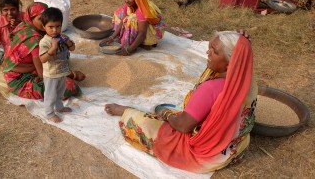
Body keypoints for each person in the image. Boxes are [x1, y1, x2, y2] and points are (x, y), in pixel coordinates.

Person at [104, 31, 257, 173]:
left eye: (215, 52)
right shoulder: (248, 82)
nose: (207, 53)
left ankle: (124, 111)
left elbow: (183, 126)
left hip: (206, 156)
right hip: (235, 146)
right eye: (209, 47)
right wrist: (243, 43)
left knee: (142, 122)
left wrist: (167, 114)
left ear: (232, 63)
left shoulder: (211, 88)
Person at [1, 2, 85, 99]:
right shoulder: (35, 40)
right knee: (69, 86)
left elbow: (67, 46)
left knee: (61, 51)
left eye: (45, 18)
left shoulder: (24, 25)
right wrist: (72, 75)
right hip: (19, 79)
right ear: (31, 19)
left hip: (30, 67)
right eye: (40, 19)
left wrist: (66, 42)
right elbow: (42, 74)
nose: (44, 22)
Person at [100, 0, 165, 56]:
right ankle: (135, 41)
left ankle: (143, 43)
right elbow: (122, 21)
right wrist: (111, 37)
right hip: (143, 26)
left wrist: (129, 50)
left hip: (153, 32)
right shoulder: (128, 5)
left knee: (132, 18)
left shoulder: (142, 10)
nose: (127, 0)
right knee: (119, 13)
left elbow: (142, 33)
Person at [39, 7, 77, 123]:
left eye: (58, 26)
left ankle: (59, 107)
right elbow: (42, 59)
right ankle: (50, 113)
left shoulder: (63, 38)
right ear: (44, 27)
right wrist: (52, 49)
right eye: (51, 27)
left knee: (60, 92)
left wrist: (68, 42)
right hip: (51, 74)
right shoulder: (45, 42)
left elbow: (73, 48)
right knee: (50, 95)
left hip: (62, 71)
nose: (55, 30)